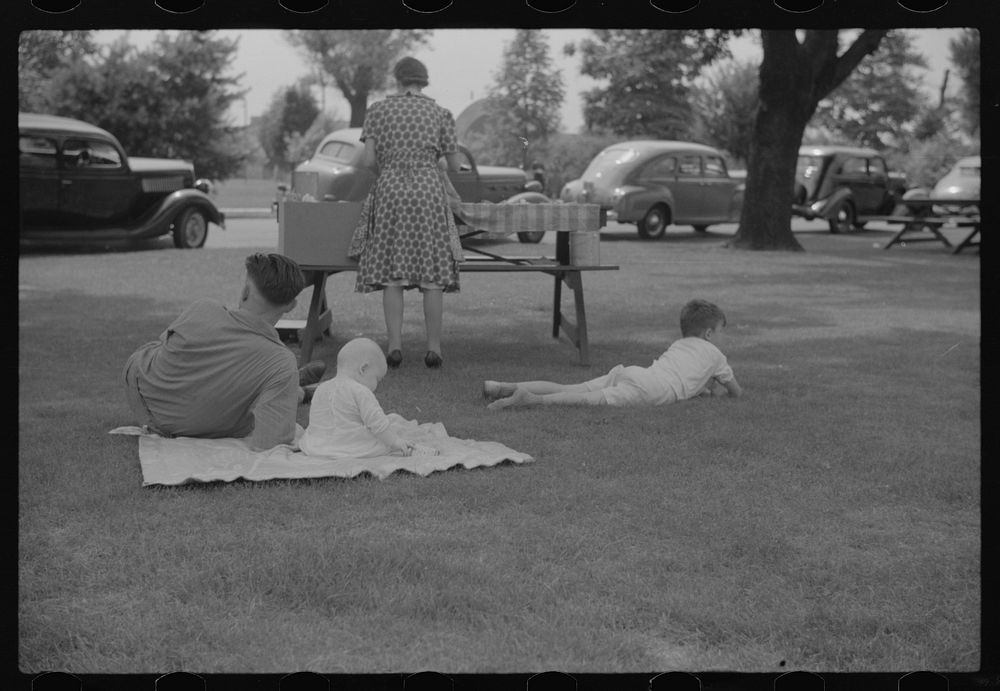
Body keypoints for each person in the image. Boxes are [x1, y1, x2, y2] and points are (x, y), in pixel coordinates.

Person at [122, 253, 326, 451]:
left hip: (141, 392)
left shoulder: (203, 309)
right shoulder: (280, 361)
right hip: (207, 423)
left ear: (245, 292)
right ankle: (296, 390)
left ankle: (295, 388)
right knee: (265, 390)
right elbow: (271, 441)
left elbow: (167, 350)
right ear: (291, 305)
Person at [347, 56, 464, 370]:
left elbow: (368, 160)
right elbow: (454, 165)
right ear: (423, 80)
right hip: (427, 192)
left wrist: (390, 167)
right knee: (433, 273)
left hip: (391, 190)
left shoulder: (378, 111)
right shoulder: (441, 114)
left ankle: (395, 346)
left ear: (397, 79)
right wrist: (435, 161)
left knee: (392, 273)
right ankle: (434, 348)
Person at [483, 299, 743, 410]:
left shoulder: (679, 345)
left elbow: (688, 378)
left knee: (571, 387)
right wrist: (718, 391)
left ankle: (501, 386)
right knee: (587, 400)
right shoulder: (716, 355)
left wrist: (703, 390)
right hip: (652, 389)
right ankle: (533, 400)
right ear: (709, 334)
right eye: (721, 331)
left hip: (635, 373)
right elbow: (736, 392)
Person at [299, 338, 437, 458]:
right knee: (382, 442)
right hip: (350, 448)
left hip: (316, 446)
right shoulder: (360, 391)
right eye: (377, 379)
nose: (376, 385)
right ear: (363, 369)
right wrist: (396, 441)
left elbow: (316, 422)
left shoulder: (321, 388)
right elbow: (378, 424)